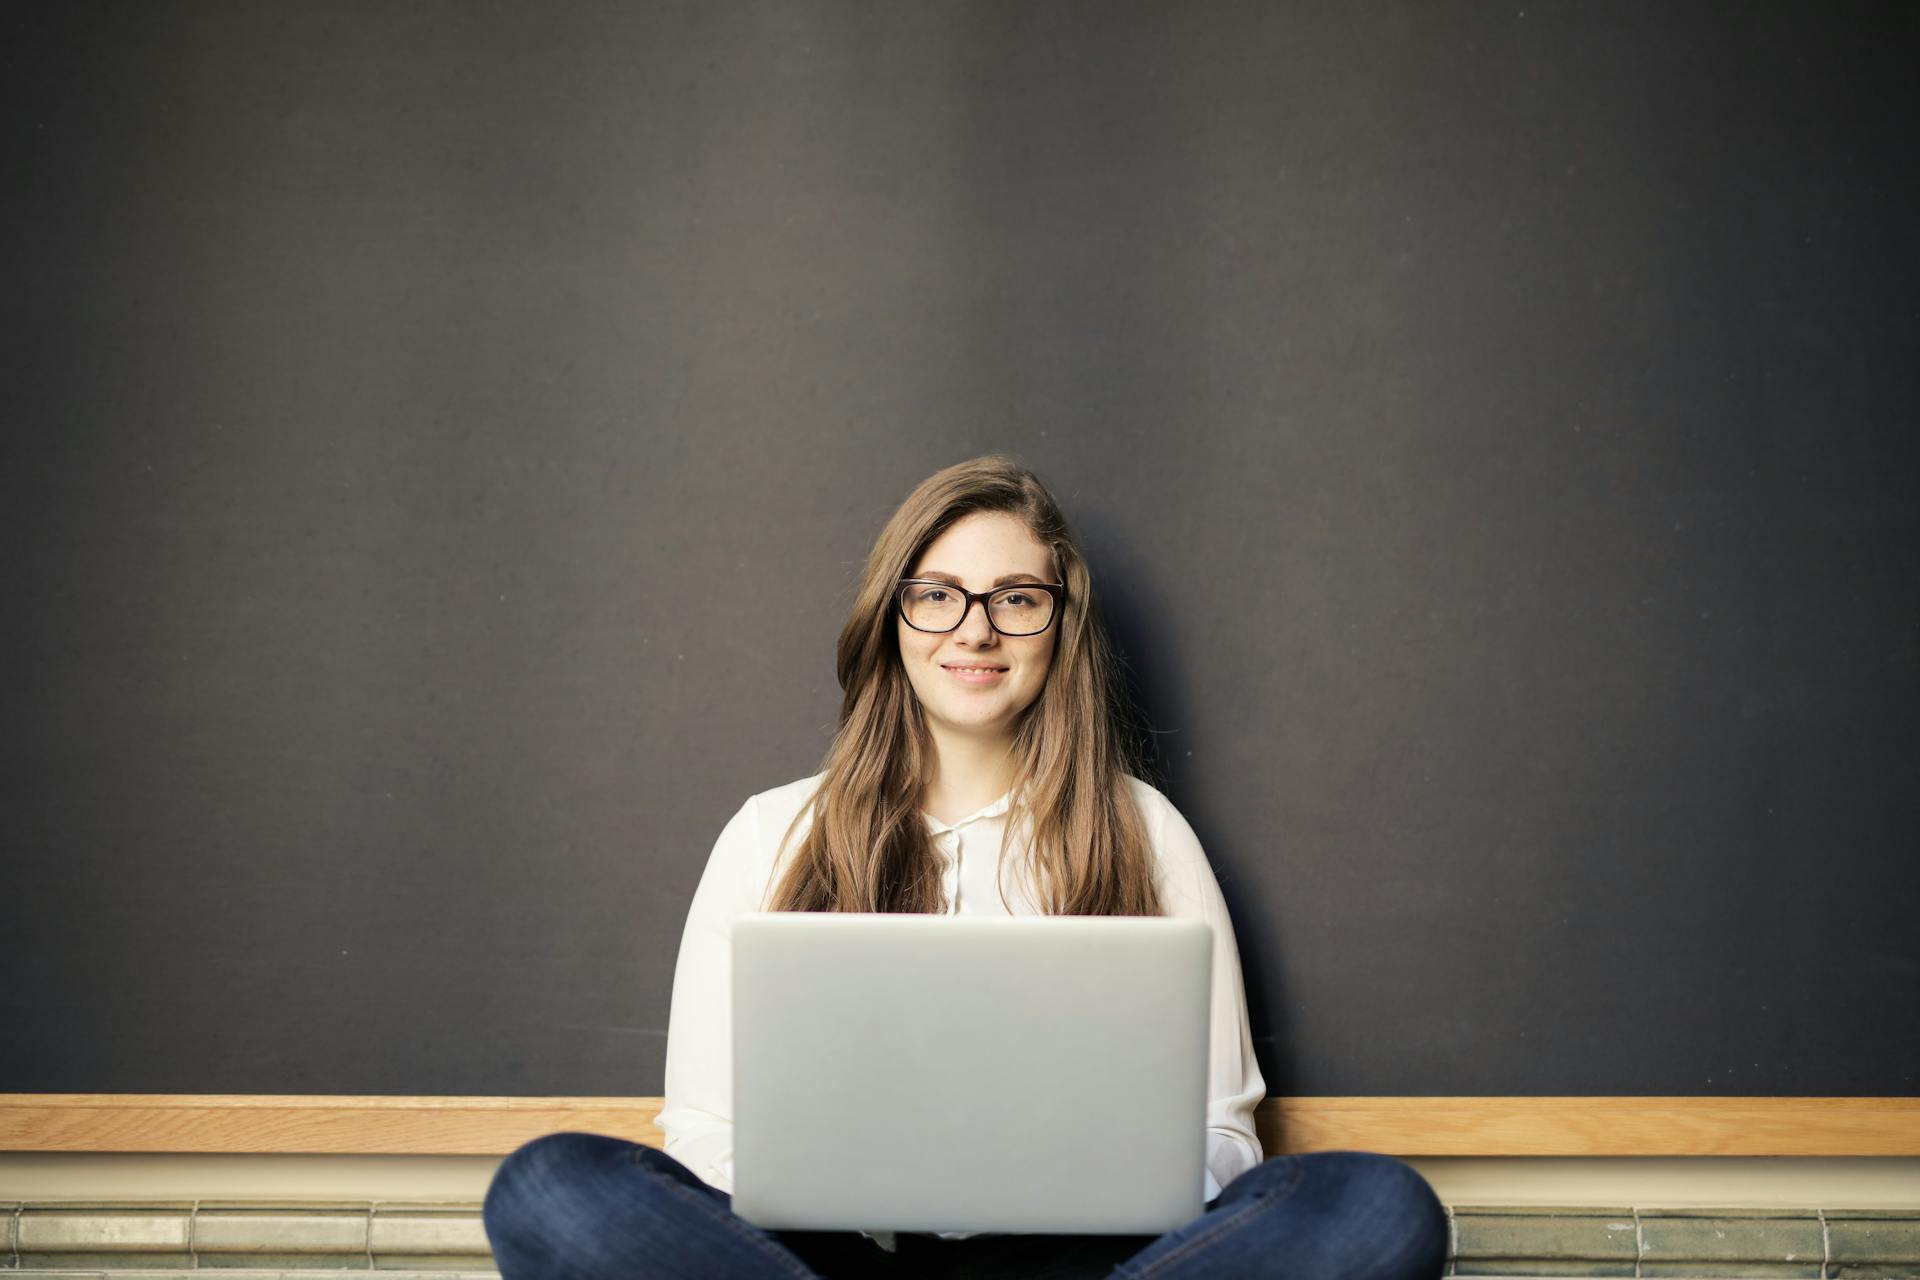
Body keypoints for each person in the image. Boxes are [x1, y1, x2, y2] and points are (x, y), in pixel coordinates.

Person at [482, 456, 1448, 1279]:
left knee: (1376, 1205)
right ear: (893, 616)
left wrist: (1094, 1178)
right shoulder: (773, 831)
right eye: (938, 594)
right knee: (550, 1185)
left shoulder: (1140, 829)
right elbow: (702, 1128)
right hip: (831, 1261)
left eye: (1016, 599)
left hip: (1088, 1263)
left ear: (1058, 625)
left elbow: (1225, 1138)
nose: (974, 630)